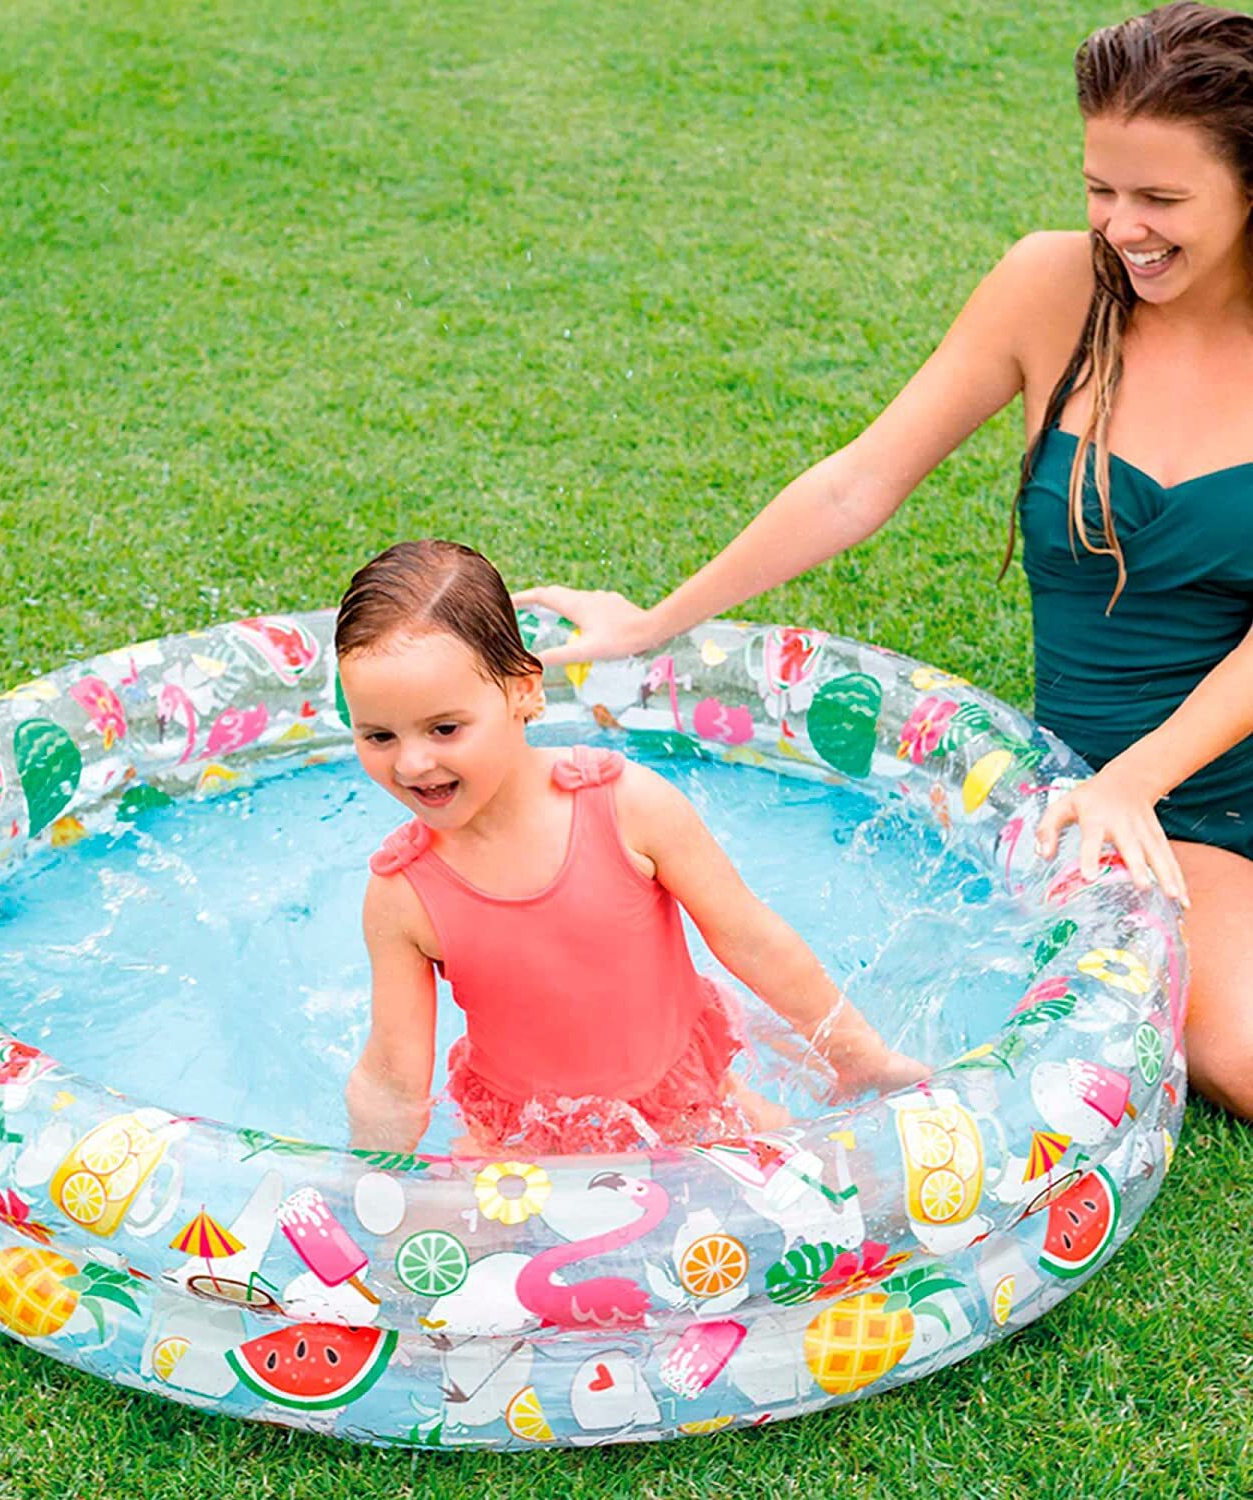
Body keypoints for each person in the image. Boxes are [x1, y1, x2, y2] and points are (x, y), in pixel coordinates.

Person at [517, 2, 1253, 1120]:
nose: (1120, 227)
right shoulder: (1051, 287)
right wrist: (654, 623)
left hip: (1158, 784)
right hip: (1150, 813)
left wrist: (1132, 782)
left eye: (1161, 199)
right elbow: (859, 484)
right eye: (1100, 188)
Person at [337, 539, 924, 1154]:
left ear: (524, 692)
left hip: (689, 1096)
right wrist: (374, 1187)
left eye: (445, 728)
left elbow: (752, 939)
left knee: (833, 1184)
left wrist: (860, 1058)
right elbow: (392, 1078)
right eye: (379, 735)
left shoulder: (623, 806)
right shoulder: (403, 891)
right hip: (522, 1134)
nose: (413, 762)